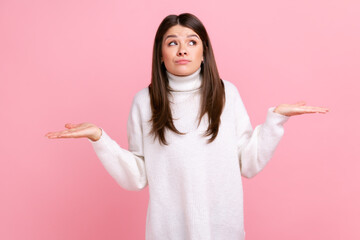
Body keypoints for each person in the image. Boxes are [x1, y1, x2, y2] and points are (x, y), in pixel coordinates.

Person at [45, 13, 329, 240]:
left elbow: (248, 164)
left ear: (205, 52)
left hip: (222, 229)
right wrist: (99, 138)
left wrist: (275, 120)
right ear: (160, 54)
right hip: (167, 231)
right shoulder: (145, 101)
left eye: (192, 42)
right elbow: (136, 177)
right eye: (172, 42)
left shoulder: (226, 93)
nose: (183, 50)